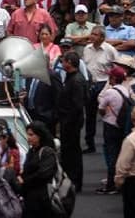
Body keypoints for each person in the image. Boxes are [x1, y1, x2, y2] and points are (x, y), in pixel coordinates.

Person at [96, 66, 131, 194]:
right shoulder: (125, 90)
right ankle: (120, 182)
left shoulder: (110, 92)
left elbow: (101, 108)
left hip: (111, 126)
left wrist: (104, 113)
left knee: (111, 156)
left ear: (114, 78)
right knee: (121, 155)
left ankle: (111, 184)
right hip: (122, 126)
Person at [58, 51, 87, 191]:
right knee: (70, 152)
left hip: (71, 123)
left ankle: (74, 181)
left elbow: (77, 106)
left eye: (63, 61)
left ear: (69, 63)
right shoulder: (72, 78)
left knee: (72, 153)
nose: (61, 63)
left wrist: (67, 122)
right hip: (69, 122)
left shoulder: (75, 81)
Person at [20, 121, 59, 217]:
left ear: (40, 135)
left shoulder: (47, 152)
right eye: (27, 134)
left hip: (43, 199)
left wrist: (24, 180)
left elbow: (43, 174)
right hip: (30, 198)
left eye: (31, 135)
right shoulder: (32, 150)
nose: (28, 137)